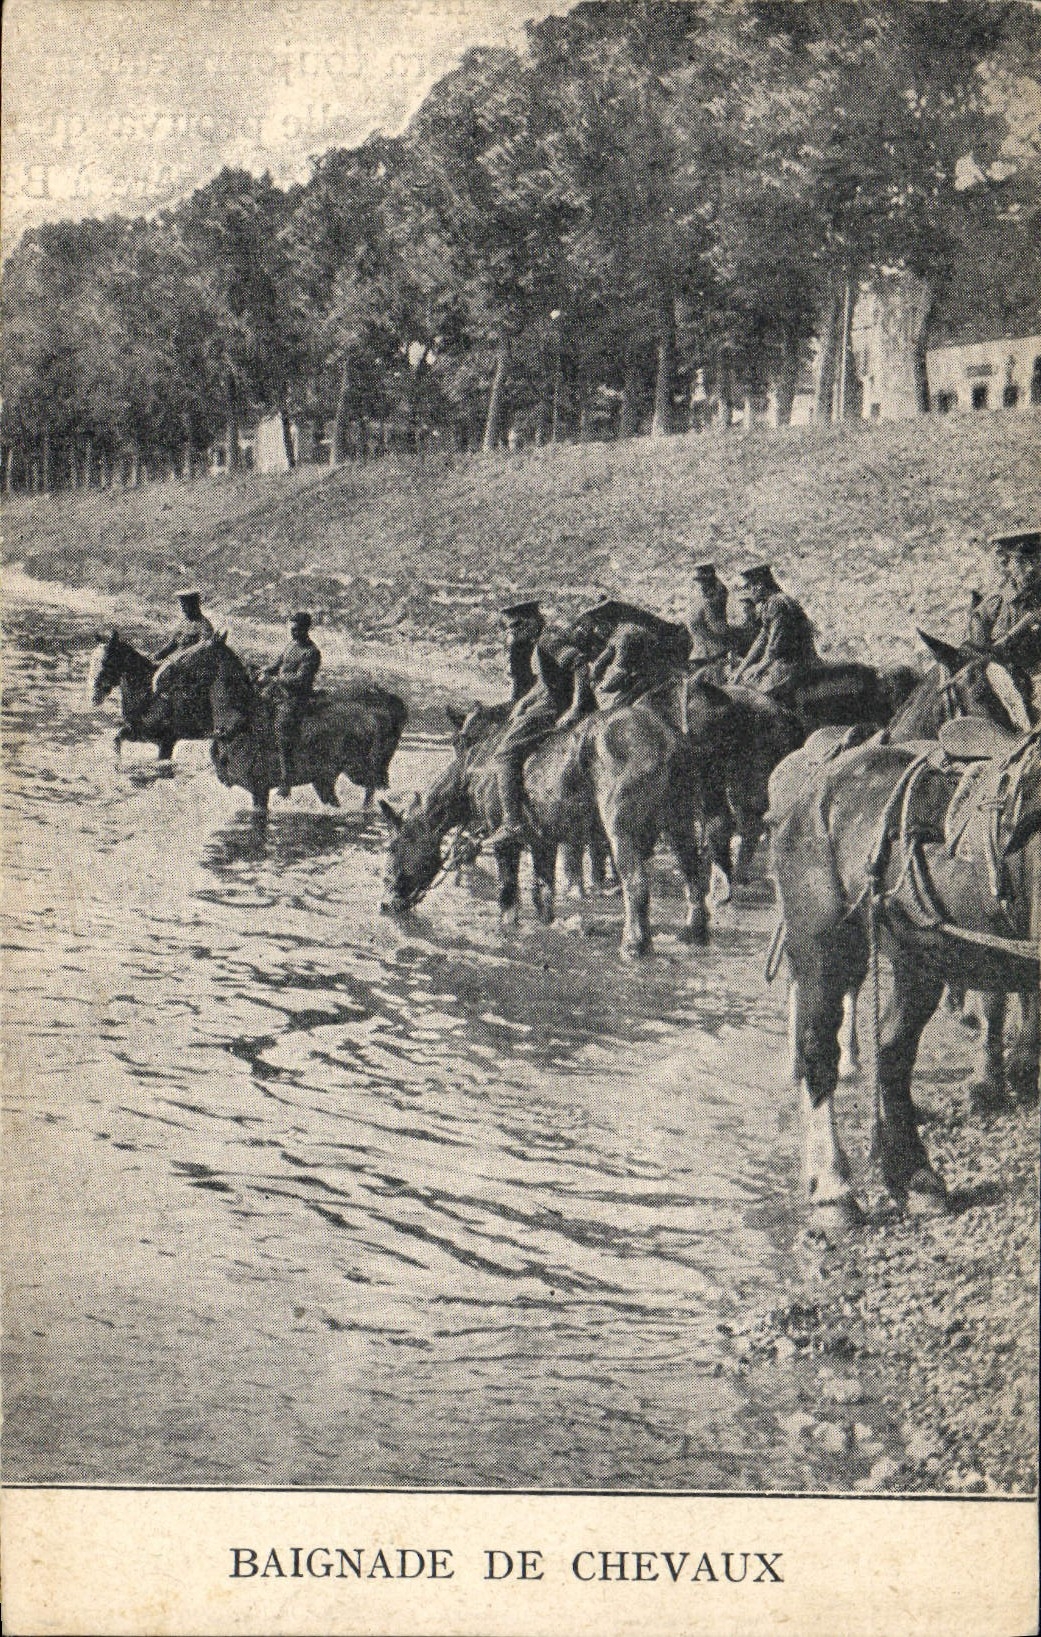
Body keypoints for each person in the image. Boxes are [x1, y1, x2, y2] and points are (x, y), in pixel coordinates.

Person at [487, 612, 596, 846]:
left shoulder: (548, 640)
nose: (512, 632)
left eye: (516, 625)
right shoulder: (541, 642)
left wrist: (576, 707)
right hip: (551, 700)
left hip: (555, 707)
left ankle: (513, 822)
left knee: (504, 755)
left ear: (532, 623)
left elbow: (579, 665)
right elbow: (546, 681)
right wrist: (524, 702)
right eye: (509, 628)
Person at [966, 529, 1041, 702]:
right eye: (1021, 561)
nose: (1031, 568)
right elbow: (976, 662)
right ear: (1007, 564)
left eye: (1036, 559)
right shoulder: (991, 608)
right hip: (1005, 696)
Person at [730, 564, 820, 697]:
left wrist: (760, 667)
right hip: (790, 662)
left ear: (760, 585)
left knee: (759, 697)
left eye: (750, 586)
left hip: (795, 664)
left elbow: (774, 645)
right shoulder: (771, 603)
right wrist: (741, 669)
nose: (749, 592)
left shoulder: (776, 604)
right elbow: (761, 640)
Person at [261, 611, 322, 798]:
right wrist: (262, 670)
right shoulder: (291, 645)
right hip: (280, 693)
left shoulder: (311, 652)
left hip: (297, 699)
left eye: (296, 630)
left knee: (282, 727)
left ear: (306, 629)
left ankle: (287, 779)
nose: (293, 633)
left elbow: (300, 679)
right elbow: (277, 663)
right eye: (291, 629)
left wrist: (274, 678)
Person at [501, 599, 545, 706]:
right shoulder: (518, 647)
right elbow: (518, 685)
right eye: (511, 627)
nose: (513, 631)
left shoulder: (545, 642)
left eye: (517, 625)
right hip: (528, 698)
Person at [687, 563, 731, 665]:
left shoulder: (696, 603)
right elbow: (718, 629)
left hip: (697, 653)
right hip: (712, 654)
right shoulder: (708, 604)